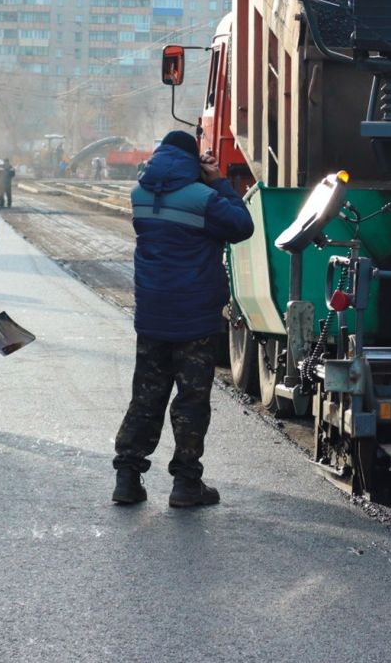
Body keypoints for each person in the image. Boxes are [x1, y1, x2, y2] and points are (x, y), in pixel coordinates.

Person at [111, 130, 254, 508]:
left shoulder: (139, 195)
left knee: (146, 396)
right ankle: (186, 484)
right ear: (192, 161)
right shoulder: (203, 198)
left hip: (153, 315)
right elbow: (242, 226)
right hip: (194, 319)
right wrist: (219, 181)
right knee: (191, 400)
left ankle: (127, 477)